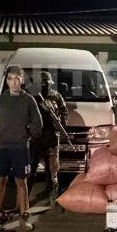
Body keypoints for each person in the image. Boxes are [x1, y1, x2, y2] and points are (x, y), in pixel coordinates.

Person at [0, 65, 42, 232]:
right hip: (3, 147)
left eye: (17, 79)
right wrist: (4, 132)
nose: (13, 82)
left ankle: (24, 218)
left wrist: (25, 133)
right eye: (10, 79)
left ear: (22, 80)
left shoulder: (28, 100)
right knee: (0, 181)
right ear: (7, 80)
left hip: (20, 148)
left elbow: (38, 124)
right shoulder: (1, 100)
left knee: (21, 182)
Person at [29, 71, 68, 202]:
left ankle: (51, 195)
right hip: (37, 137)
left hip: (51, 137)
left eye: (46, 83)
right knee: (31, 169)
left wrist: (60, 125)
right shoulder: (32, 97)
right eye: (42, 84)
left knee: (52, 171)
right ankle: (25, 197)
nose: (45, 86)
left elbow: (64, 112)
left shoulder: (56, 96)